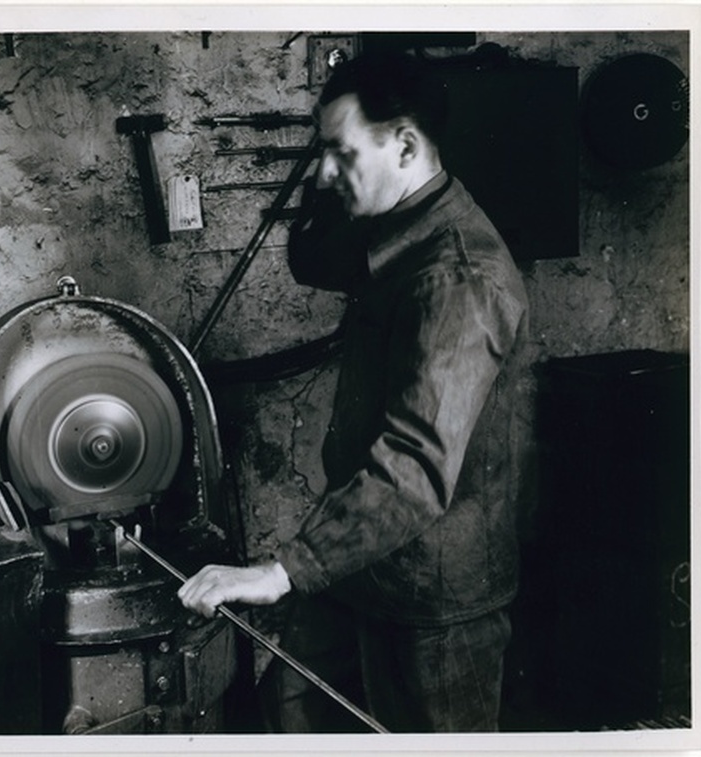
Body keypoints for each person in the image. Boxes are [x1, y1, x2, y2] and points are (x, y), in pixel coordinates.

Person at [178, 51, 529, 733]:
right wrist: (325, 167)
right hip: (365, 568)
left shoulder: (458, 278)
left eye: (340, 153)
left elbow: (416, 467)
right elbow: (310, 258)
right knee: (286, 710)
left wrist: (281, 569)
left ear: (403, 144)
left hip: (433, 596)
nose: (327, 173)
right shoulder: (398, 227)